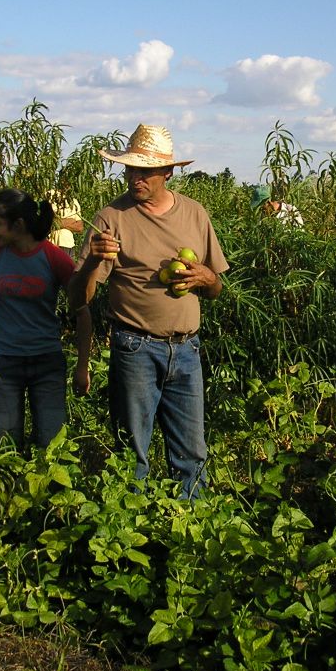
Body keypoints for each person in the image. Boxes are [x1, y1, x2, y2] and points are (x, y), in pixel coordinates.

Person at [69, 124, 229, 497]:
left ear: (167, 174)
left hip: (187, 350)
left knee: (192, 454)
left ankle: (188, 533)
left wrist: (206, 277)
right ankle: (129, 534)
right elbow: (79, 296)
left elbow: (217, 290)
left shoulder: (194, 215)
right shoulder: (112, 217)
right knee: (132, 452)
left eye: (144, 171)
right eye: (130, 170)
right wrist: (93, 261)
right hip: (135, 347)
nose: (135, 178)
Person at [0, 189, 92, 448]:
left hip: (46, 363)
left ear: (18, 224)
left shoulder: (53, 257)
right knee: (1, 445)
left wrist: (83, 365)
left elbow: (82, 312)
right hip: (4, 362)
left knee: (50, 445)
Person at [47, 189, 83, 257]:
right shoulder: (50, 195)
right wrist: (68, 221)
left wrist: (57, 222)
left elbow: (80, 227)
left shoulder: (73, 201)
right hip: (50, 244)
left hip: (68, 245)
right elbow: (45, 223)